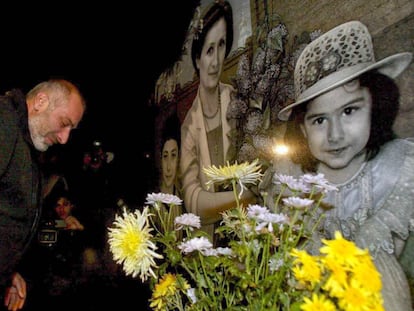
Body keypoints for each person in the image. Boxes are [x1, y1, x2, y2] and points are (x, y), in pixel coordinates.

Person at [260, 21, 413, 310]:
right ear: (303, 130)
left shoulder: (396, 168)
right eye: (319, 120)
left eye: (349, 110)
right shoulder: (293, 179)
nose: (335, 134)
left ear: (375, 107)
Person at [0, 79, 86, 310]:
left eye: (71, 129)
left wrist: (7, 271)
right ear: (41, 102)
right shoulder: (4, 121)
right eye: (64, 123)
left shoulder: (23, 140)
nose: (64, 138)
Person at [180, 0, 257, 241]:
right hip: (208, 245)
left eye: (221, 45)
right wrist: (243, 199)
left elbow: (261, 170)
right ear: (197, 58)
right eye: (209, 49)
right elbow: (193, 201)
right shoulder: (189, 127)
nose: (215, 61)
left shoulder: (242, 101)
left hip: (248, 240)